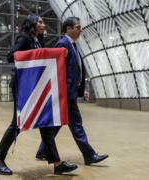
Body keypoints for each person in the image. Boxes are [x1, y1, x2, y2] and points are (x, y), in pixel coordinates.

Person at [0, 14, 78, 175]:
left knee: (45, 123)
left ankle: (57, 164)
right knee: (16, 124)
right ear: (31, 23)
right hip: (23, 87)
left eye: (42, 21)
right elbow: (11, 56)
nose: (43, 24)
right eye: (39, 21)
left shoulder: (38, 41)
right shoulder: (25, 38)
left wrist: (57, 53)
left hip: (35, 87)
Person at [35, 17, 109, 165]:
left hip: (69, 92)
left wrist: (80, 88)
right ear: (68, 29)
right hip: (66, 93)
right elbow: (57, 69)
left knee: (58, 124)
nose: (80, 29)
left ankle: (43, 150)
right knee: (76, 125)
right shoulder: (63, 43)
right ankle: (89, 155)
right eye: (77, 27)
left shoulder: (72, 45)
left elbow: (76, 70)